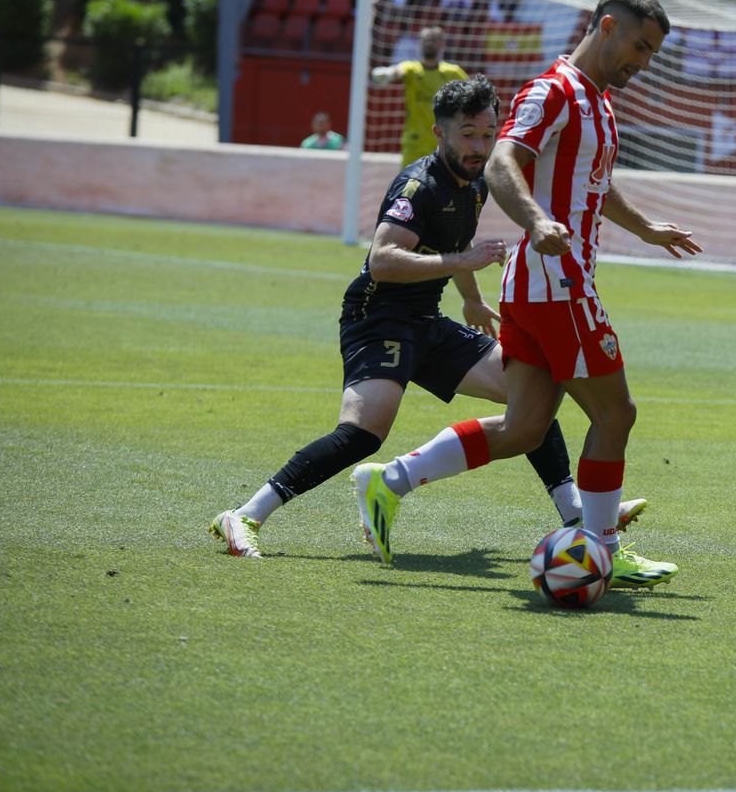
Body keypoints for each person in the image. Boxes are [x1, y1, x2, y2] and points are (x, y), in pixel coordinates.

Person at [210, 76, 645, 558]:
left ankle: (574, 511)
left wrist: (472, 299)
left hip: (426, 319)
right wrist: (463, 264)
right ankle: (246, 514)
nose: (480, 146)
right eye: (467, 134)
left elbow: (454, 247)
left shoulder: (477, 182)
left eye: (487, 133)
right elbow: (383, 259)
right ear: (439, 133)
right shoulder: (418, 186)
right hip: (378, 319)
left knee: (531, 394)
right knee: (361, 435)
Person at [353, 0, 699, 590]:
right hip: (557, 285)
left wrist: (643, 227)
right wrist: (536, 221)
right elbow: (502, 160)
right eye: (639, 46)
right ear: (608, 26)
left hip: (538, 288)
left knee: (525, 428)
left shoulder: (598, 101)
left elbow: (592, 180)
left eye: (651, 53)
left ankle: (392, 481)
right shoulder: (554, 90)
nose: (642, 63)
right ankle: (602, 549)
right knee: (616, 413)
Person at [370, 26, 469, 166]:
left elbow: (471, 95)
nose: (429, 43)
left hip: (445, 143)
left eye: (433, 40)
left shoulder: (453, 72)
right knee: (408, 185)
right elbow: (398, 72)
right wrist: (388, 73)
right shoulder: (412, 68)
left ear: (442, 44)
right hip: (415, 142)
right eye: (425, 40)